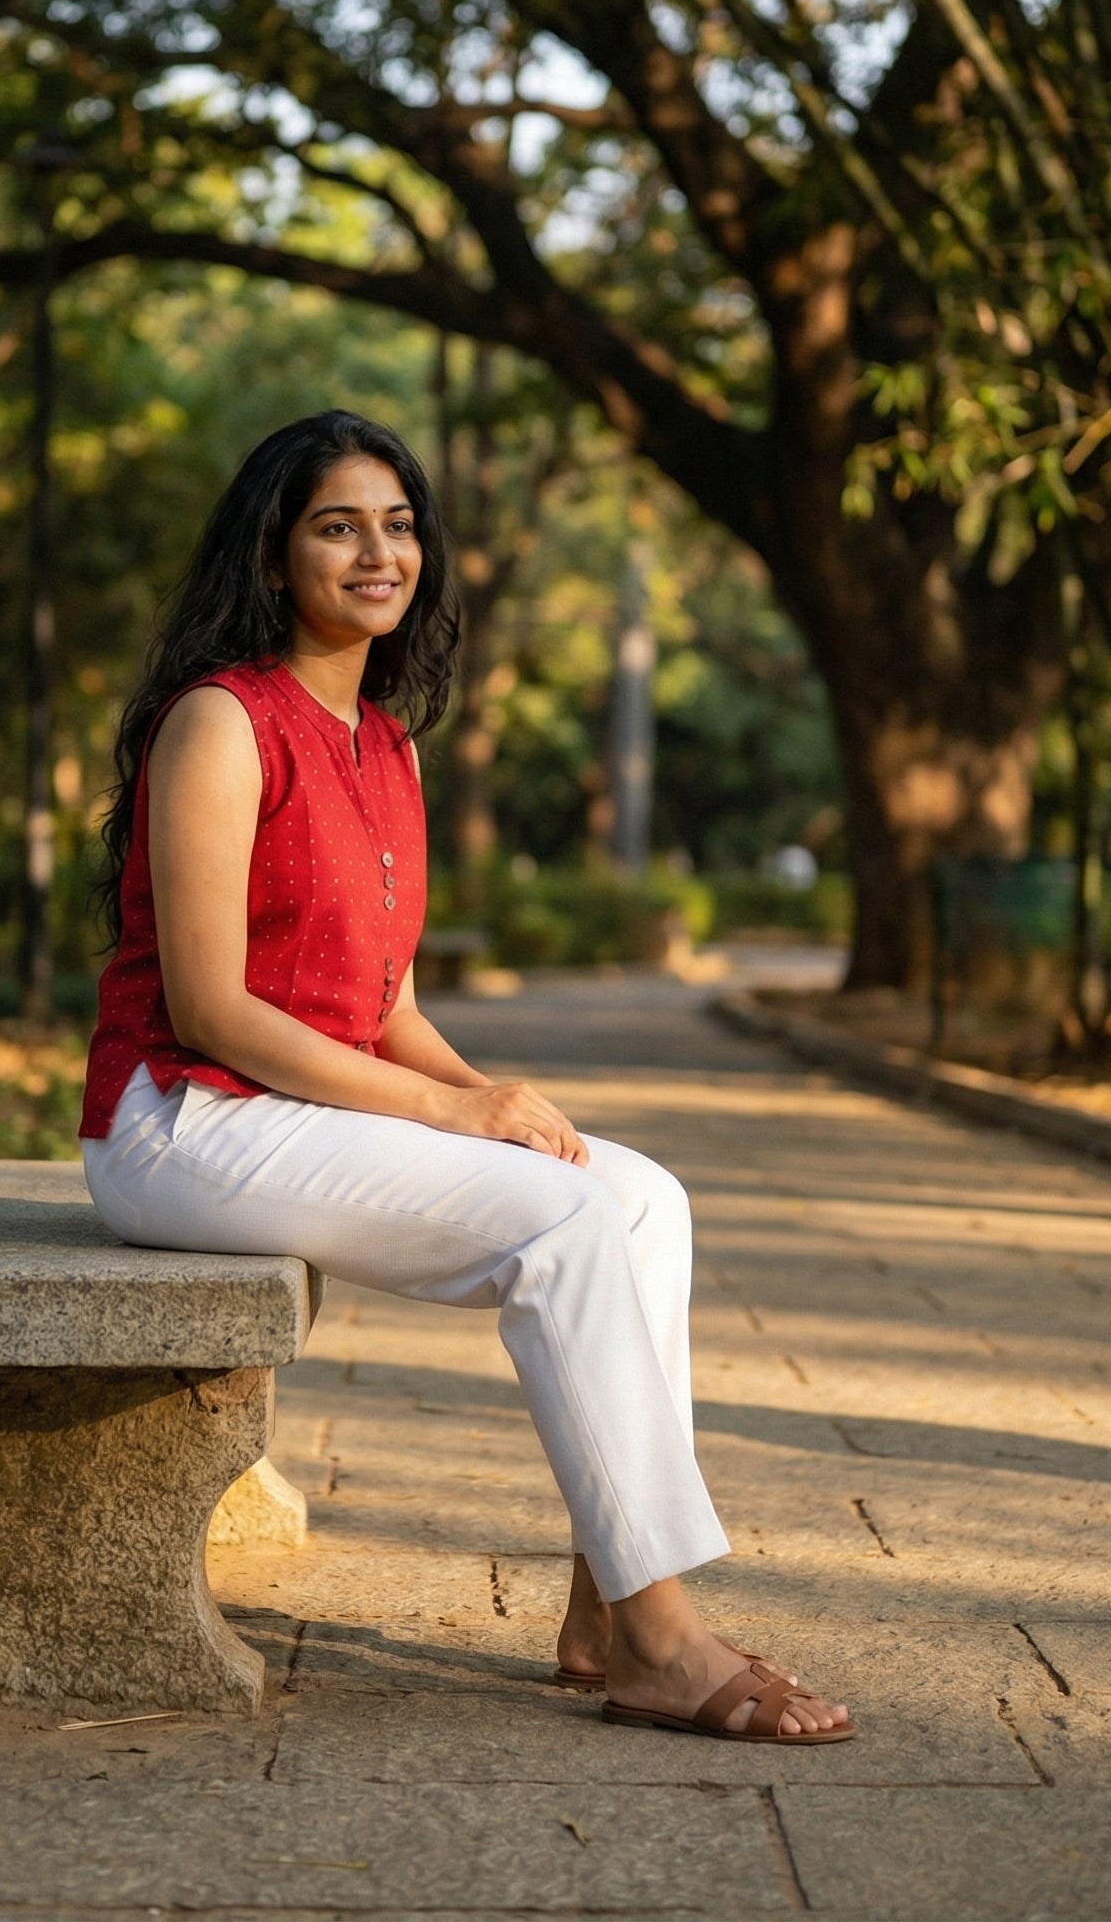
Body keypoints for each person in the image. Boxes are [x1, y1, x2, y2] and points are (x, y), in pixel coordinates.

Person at [80, 410, 851, 1744]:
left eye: (398, 525)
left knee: (640, 1196)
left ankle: (604, 1611)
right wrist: (451, 1113)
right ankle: (666, 1641)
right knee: (562, 1224)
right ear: (275, 554)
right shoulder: (221, 722)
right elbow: (212, 1007)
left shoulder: (387, 745)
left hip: (291, 1111)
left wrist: (500, 1104)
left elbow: (388, 1007)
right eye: (338, 527)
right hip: (184, 1121)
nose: (377, 553)